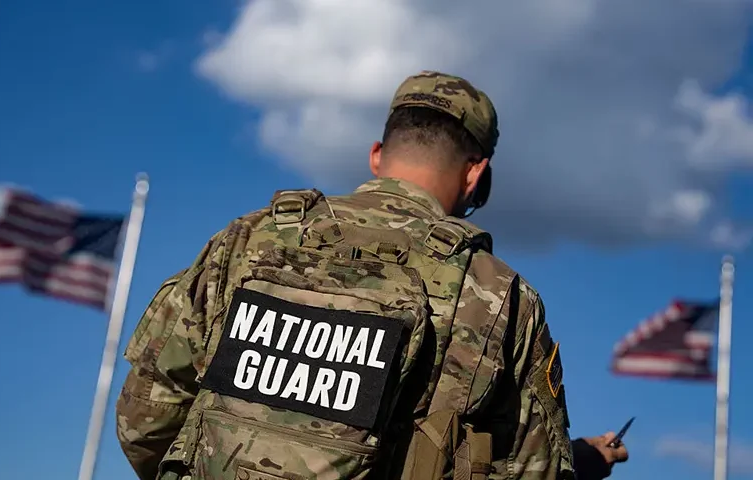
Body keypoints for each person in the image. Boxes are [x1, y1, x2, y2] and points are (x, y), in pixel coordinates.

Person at [116, 70, 628, 480]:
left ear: (378, 155)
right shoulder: (498, 296)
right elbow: (534, 470)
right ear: (476, 174)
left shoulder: (250, 238)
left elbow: (145, 421)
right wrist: (583, 462)